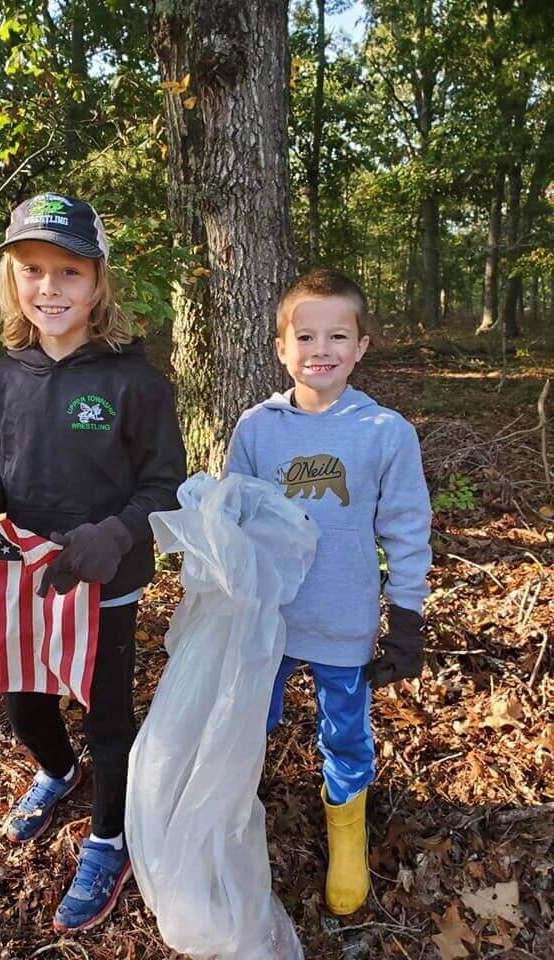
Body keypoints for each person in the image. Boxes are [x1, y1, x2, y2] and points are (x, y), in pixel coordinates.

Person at [0, 193, 187, 932]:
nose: (50, 288)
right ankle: (55, 771)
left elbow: (165, 485)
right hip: (25, 575)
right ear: (11, 278)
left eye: (69, 272)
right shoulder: (2, 377)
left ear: (97, 281)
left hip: (104, 577)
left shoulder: (134, 382)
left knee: (106, 715)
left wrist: (115, 533)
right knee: (24, 700)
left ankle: (110, 839)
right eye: (34, 269)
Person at [223, 268, 431, 916]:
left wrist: (406, 616)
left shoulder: (384, 432)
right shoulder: (256, 429)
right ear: (281, 347)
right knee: (249, 720)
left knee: (344, 729)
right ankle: (229, 819)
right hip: (269, 619)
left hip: (341, 616)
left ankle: (345, 832)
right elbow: (229, 515)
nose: (320, 350)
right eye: (305, 336)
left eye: (337, 335)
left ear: (361, 345)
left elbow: (404, 525)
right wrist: (220, 592)